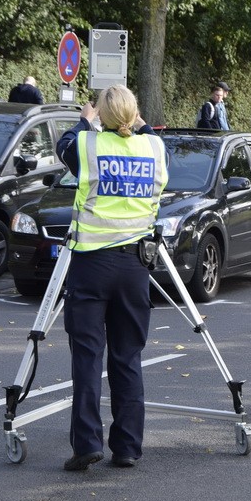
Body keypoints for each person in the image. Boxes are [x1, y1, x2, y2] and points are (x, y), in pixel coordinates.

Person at [54, 84, 168, 472]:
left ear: (100, 114)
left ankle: (86, 443)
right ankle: (127, 447)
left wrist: (85, 120)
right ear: (134, 116)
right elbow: (147, 135)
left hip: (91, 266)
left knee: (87, 357)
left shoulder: (88, 145)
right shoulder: (153, 148)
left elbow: (64, 145)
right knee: (127, 357)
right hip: (135, 268)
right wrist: (137, 123)